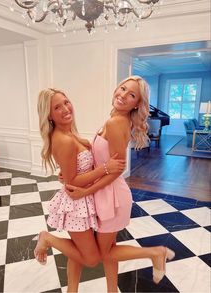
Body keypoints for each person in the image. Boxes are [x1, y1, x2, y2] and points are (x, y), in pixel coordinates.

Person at [66, 76, 175, 292]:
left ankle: (156, 253)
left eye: (132, 95)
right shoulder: (115, 118)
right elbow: (104, 162)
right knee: (110, 249)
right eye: (123, 89)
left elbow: (116, 170)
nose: (123, 95)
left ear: (137, 104)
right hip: (106, 193)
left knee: (104, 253)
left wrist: (85, 190)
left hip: (112, 196)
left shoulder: (115, 122)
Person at [35, 88, 125, 293]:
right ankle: (47, 238)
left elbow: (70, 174)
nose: (66, 109)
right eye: (57, 107)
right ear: (48, 115)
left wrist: (68, 175)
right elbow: (73, 180)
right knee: (92, 258)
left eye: (66, 102)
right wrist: (105, 168)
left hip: (86, 199)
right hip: (76, 204)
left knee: (78, 251)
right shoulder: (64, 139)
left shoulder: (69, 133)